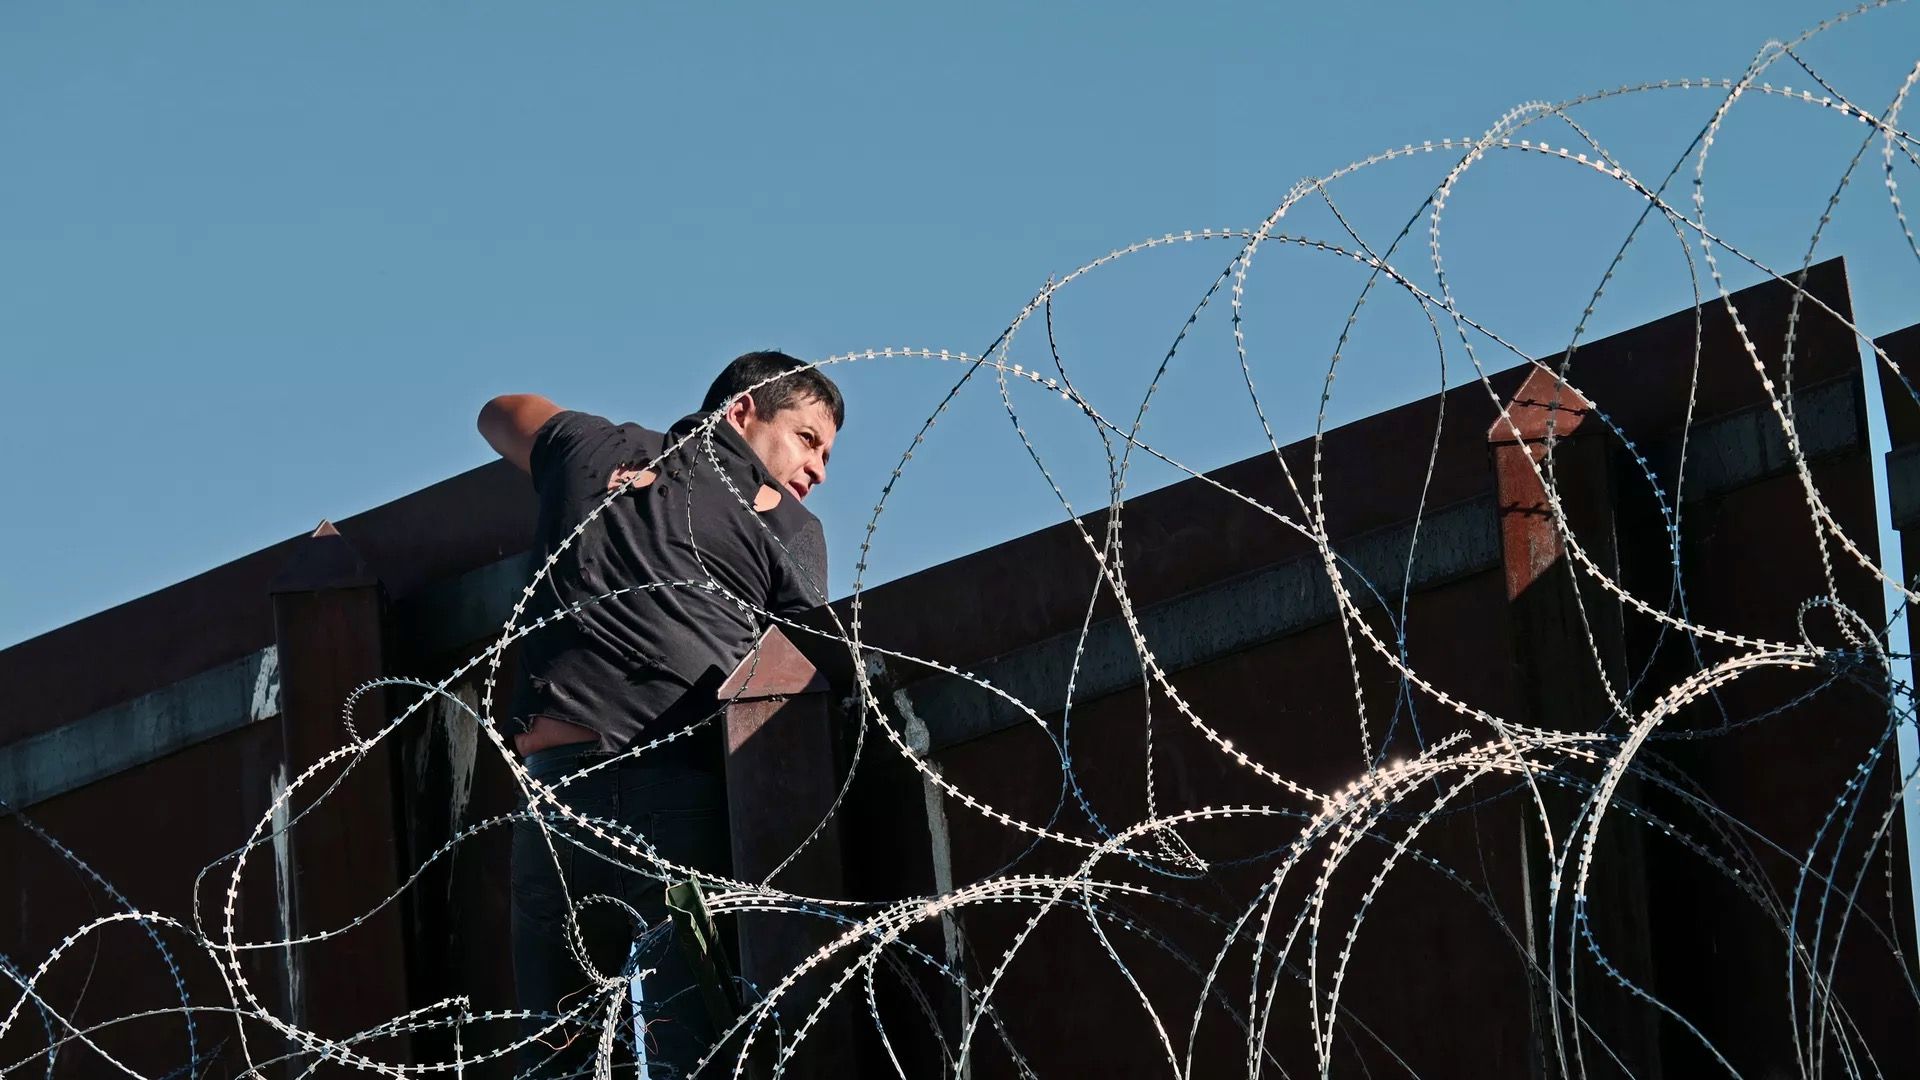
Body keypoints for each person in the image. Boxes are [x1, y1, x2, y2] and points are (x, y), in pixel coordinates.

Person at [477, 351, 842, 1077]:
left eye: (827, 454)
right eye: (808, 439)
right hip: (655, 800)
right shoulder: (786, 523)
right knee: (668, 1049)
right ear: (741, 412)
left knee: (565, 1053)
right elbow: (802, 668)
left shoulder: (594, 447)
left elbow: (498, 412)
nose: (819, 470)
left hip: (568, 793)